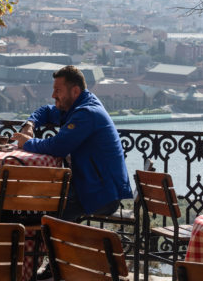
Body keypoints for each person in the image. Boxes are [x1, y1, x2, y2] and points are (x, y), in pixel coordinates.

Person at [12, 65, 133, 222]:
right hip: (88, 186)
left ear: (75, 91)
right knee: (37, 201)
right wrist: (30, 124)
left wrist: (28, 143)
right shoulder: (75, 107)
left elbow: (57, 147)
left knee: (41, 209)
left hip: (101, 195)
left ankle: (47, 244)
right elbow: (46, 111)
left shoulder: (87, 113)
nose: (53, 95)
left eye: (58, 90)